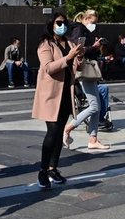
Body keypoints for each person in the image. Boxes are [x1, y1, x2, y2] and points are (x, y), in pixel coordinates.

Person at [31, 14, 84, 188]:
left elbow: (74, 68)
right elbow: (48, 68)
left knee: (59, 131)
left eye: (64, 23)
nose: (62, 26)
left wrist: (78, 58)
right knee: (52, 133)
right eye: (58, 23)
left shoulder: (68, 43)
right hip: (51, 95)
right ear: (51, 24)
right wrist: (68, 58)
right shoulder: (45, 44)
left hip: (65, 95)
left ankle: (53, 168)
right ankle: (43, 170)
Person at [63, 9, 111, 150]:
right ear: (86, 18)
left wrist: (96, 47)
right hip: (85, 71)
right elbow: (78, 50)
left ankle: (93, 139)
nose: (94, 25)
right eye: (93, 22)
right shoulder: (79, 28)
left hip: (88, 71)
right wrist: (94, 46)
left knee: (96, 108)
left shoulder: (83, 29)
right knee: (94, 106)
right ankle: (68, 128)